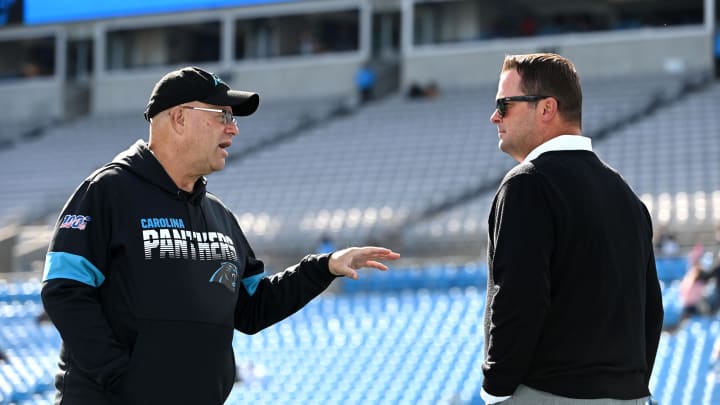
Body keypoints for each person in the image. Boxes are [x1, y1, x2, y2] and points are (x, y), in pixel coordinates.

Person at [40, 66, 400, 405]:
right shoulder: (108, 191)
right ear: (179, 118)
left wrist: (324, 268)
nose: (234, 129)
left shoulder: (219, 214)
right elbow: (65, 290)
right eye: (223, 116)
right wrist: (121, 378)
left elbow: (253, 307)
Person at [481, 53, 663, 405]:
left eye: (504, 104)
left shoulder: (527, 185)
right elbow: (650, 311)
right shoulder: (626, 195)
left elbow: (518, 300)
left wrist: (496, 391)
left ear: (547, 108)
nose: (495, 116)